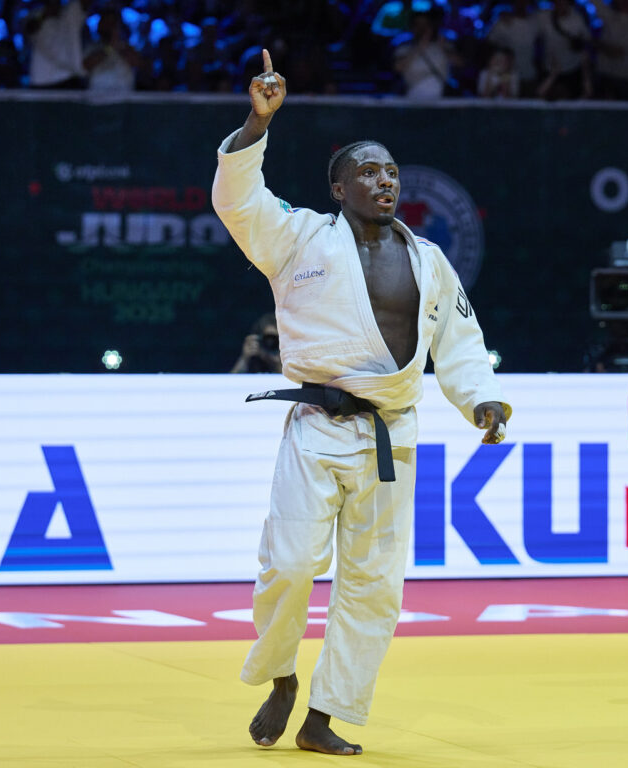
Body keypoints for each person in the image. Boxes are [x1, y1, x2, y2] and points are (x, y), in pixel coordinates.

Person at [211, 49, 510, 756]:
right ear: (339, 189)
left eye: (391, 171)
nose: (384, 181)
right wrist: (259, 120)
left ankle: (325, 714)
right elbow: (236, 201)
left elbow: (460, 342)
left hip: (390, 434)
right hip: (317, 423)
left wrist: (483, 402)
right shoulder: (297, 237)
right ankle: (281, 673)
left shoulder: (429, 259)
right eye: (368, 172)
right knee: (289, 564)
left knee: (374, 587)